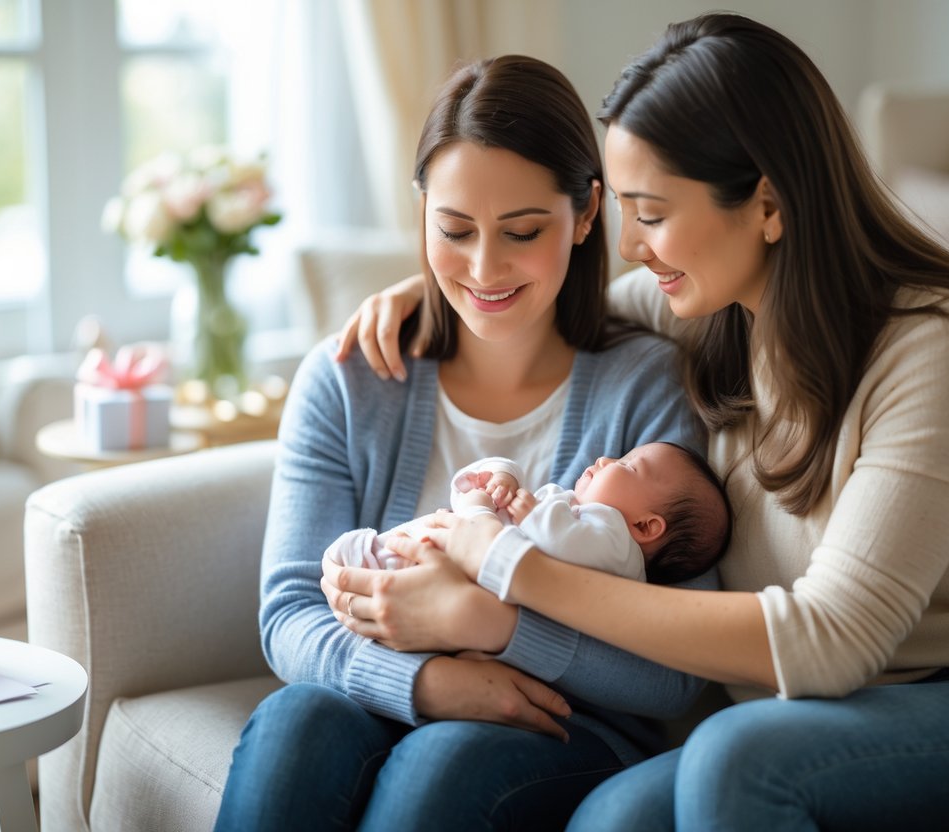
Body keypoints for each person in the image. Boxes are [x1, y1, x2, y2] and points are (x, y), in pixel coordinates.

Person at [332, 13, 949, 830]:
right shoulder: (707, 308)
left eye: (650, 213)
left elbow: (833, 640)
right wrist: (434, 294)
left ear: (766, 201)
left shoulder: (945, 342)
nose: (628, 247)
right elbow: (544, 305)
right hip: (781, 717)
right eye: (619, 210)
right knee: (610, 818)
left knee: (732, 758)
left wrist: (510, 564)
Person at [213, 54, 717, 832]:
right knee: (295, 724)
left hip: (564, 727)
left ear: (586, 215)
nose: (484, 268)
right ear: (421, 211)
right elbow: (289, 613)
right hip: (370, 699)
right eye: (454, 229)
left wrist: (502, 631)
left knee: (442, 763)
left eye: (522, 231)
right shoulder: (349, 380)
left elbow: (677, 676)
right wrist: (426, 683)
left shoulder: (645, 389)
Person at [324, 442, 731, 588]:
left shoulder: (617, 548)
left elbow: (565, 544)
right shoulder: (574, 509)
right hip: (457, 550)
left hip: (458, 576)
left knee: (388, 562)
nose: (606, 457)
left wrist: (532, 513)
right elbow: (522, 513)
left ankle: (369, 560)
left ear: (646, 526)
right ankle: (368, 558)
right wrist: (501, 479)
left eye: (627, 465)